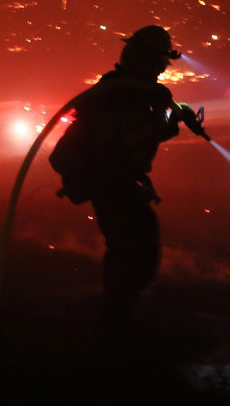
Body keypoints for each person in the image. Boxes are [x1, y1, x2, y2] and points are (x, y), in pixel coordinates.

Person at [54, 25, 198, 326]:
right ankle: (118, 319)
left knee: (134, 247)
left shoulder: (127, 90)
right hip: (112, 184)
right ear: (144, 59)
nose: (161, 69)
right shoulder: (122, 94)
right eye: (159, 62)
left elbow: (144, 136)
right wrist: (166, 116)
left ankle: (121, 311)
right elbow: (132, 141)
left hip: (114, 182)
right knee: (133, 249)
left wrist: (169, 116)